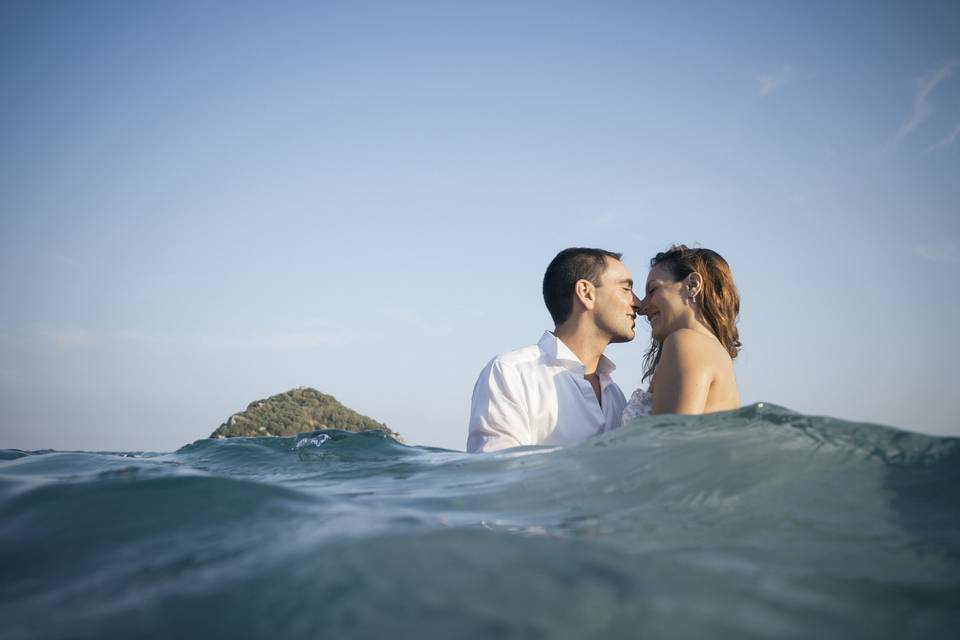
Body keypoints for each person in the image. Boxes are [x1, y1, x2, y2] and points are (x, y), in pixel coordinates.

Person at [467, 248, 641, 453]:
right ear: (586, 293)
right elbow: (496, 473)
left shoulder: (615, 395)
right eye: (626, 288)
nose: (638, 303)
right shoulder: (511, 373)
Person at [623, 245, 741, 421]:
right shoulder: (712, 350)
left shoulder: (686, 341)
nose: (642, 306)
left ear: (692, 285)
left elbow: (671, 442)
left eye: (653, 290)